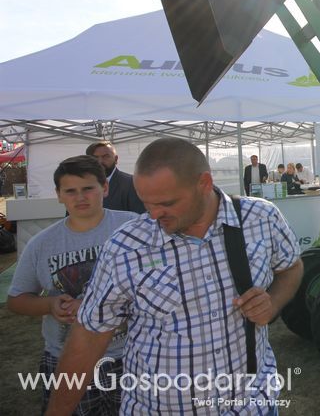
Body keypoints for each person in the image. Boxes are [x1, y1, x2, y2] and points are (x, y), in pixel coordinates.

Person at [46, 137, 303, 415]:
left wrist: (273, 303)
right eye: (146, 203)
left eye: (166, 203)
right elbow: (88, 337)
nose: (154, 215)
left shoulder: (260, 218)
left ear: (204, 183)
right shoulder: (126, 247)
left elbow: (291, 267)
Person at [7, 155, 138, 415]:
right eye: (70, 191)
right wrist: (50, 304)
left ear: (105, 188)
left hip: (130, 354)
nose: (80, 197)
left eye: (88, 188)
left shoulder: (132, 228)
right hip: (66, 357)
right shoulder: (42, 244)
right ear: (58, 195)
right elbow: (17, 299)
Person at [86, 141, 146, 214]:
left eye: (106, 156)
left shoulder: (132, 183)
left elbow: (141, 216)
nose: (100, 161)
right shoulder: (80, 184)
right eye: (95, 158)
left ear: (116, 159)